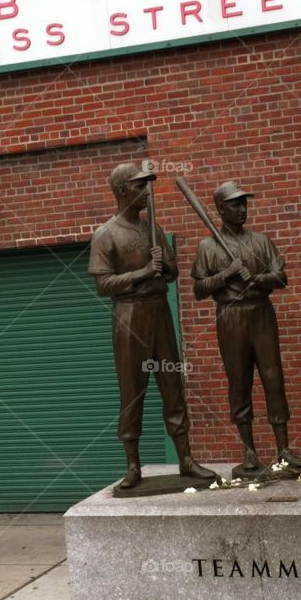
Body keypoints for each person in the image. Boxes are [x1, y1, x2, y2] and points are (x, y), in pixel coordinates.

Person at [88, 162, 216, 491]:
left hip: (160, 313)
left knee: (173, 385)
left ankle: (185, 458)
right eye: (138, 185)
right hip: (129, 317)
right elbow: (103, 285)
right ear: (120, 190)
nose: (145, 192)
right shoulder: (105, 235)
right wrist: (144, 272)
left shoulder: (154, 229)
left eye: (146, 185)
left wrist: (166, 263)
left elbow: (172, 274)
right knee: (132, 392)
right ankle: (132, 466)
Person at [190, 181, 301, 477]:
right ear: (220, 209)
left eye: (244, 203)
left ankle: (283, 450)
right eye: (235, 204)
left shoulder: (261, 241)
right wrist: (227, 274)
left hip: (261, 313)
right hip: (231, 316)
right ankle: (249, 453)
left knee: (273, 378)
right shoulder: (208, 246)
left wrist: (259, 278)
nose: (242, 208)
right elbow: (199, 289)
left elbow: (281, 278)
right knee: (239, 381)